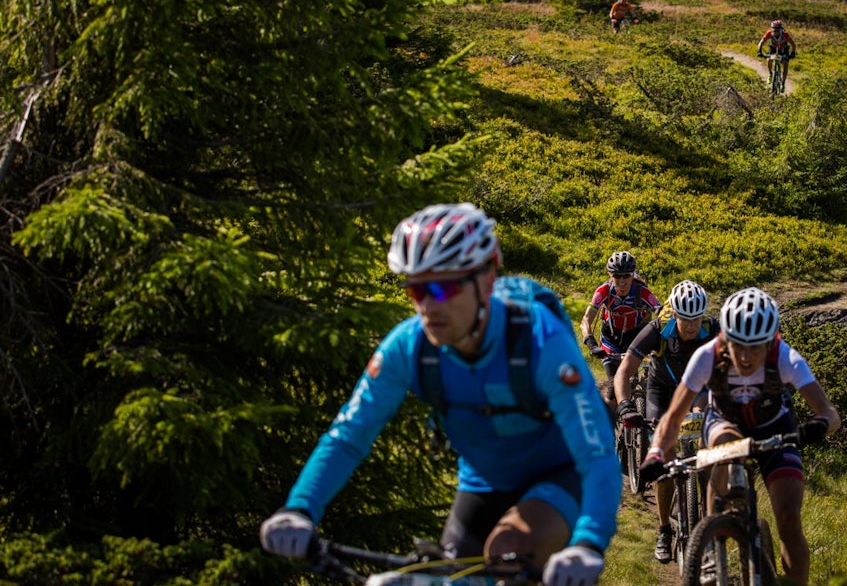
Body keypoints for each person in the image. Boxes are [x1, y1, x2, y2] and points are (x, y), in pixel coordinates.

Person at [259, 203, 620, 586]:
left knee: (508, 548)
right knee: (451, 577)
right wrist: (299, 509)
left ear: (486, 280)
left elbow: (596, 453)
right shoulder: (409, 346)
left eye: (444, 286)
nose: (428, 306)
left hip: (561, 472)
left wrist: (589, 543)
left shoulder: (538, 339)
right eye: (416, 289)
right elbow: (348, 436)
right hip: (483, 480)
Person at [639, 287, 840, 586]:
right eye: (737, 346)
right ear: (725, 338)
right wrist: (655, 453)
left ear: (771, 340)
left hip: (774, 426)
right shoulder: (707, 355)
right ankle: (709, 543)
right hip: (725, 422)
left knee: (788, 520)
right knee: (724, 445)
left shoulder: (786, 357)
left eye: (756, 347)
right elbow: (672, 418)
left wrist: (820, 424)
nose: (745, 357)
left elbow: (829, 412)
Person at [613, 280, 720, 564]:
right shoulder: (657, 330)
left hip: (697, 389)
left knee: (707, 440)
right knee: (664, 455)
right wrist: (625, 405)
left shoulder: (712, 329)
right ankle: (663, 530)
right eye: (685, 318)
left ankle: (709, 518)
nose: (691, 325)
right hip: (661, 391)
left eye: (696, 318)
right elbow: (624, 371)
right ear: (674, 315)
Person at [580, 250, 661, 405]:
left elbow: (661, 313)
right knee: (612, 391)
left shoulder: (641, 291)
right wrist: (591, 342)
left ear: (633, 274)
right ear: (611, 276)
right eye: (617, 276)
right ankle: (609, 426)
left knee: (648, 379)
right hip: (611, 339)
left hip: (636, 337)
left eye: (626, 276)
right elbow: (586, 320)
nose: (622, 281)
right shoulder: (603, 291)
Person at [755, 19, 797, 91]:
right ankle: (771, 74)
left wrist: (793, 53)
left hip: (783, 48)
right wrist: (759, 51)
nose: (776, 31)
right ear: (772, 29)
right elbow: (761, 42)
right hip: (773, 48)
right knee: (769, 59)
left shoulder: (785, 34)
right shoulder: (769, 33)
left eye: (777, 30)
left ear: (780, 29)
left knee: (785, 63)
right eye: (774, 29)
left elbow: (793, 44)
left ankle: (783, 83)